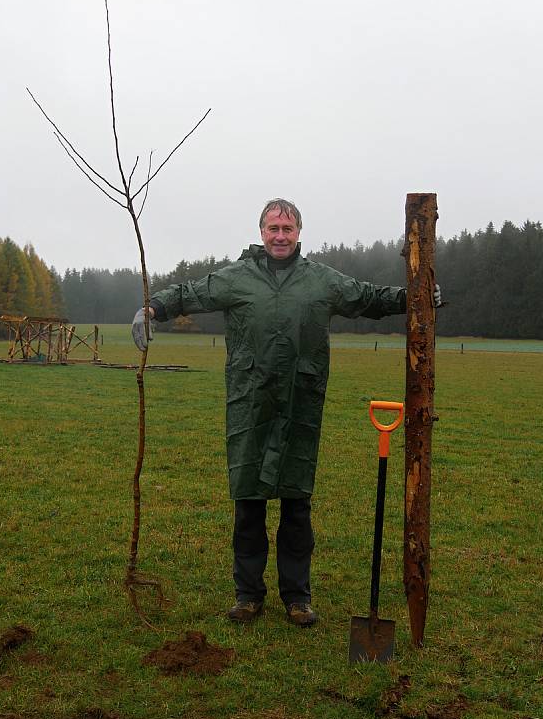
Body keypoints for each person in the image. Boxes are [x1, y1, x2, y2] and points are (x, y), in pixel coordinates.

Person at [132, 199, 441, 627]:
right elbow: (190, 293)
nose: (280, 235)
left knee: (297, 507)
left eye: (288, 228)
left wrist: (415, 297)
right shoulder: (235, 278)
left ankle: (297, 597)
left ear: (299, 233)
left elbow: (366, 298)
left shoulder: (320, 280)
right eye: (273, 227)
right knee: (249, 506)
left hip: (300, 405)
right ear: (262, 232)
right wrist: (152, 309)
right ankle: (248, 594)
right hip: (250, 406)